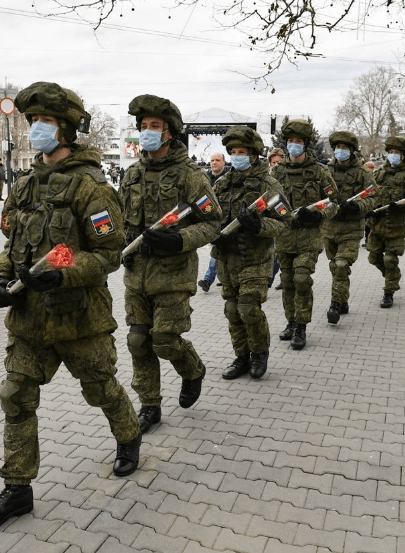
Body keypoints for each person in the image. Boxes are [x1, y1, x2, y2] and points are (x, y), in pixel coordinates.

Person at [0, 82, 142, 529]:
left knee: (100, 388)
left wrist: (66, 272)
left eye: (47, 122)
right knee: (15, 395)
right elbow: (11, 243)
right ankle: (17, 488)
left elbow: (110, 253)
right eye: (33, 120)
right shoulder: (24, 184)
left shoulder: (90, 185)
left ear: (68, 129)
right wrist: (0, 277)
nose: (37, 128)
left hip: (80, 318)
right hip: (29, 319)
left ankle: (129, 437)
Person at [119, 94, 222, 433]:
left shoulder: (189, 175)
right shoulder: (131, 175)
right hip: (137, 276)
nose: (147, 132)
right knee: (137, 341)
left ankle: (193, 369)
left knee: (164, 340)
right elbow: (119, 223)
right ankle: (149, 405)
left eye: (155, 126)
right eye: (143, 126)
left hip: (173, 274)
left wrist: (179, 240)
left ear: (169, 132)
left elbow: (212, 223)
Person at [212, 126, 288, 380]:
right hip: (227, 258)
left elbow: (284, 221)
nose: (236, 155)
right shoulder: (222, 184)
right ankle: (241, 357)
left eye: (241, 151)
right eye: (232, 152)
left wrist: (258, 225)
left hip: (256, 258)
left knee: (248, 308)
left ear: (254, 155)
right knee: (232, 310)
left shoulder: (269, 185)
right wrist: (215, 234)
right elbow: (210, 218)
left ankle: (259, 353)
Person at [271, 119, 339, 350]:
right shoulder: (277, 171)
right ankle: (290, 321)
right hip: (284, 236)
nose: (293, 145)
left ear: (306, 144)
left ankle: (301, 326)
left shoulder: (320, 171)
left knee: (301, 279)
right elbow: (268, 201)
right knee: (287, 281)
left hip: (309, 236)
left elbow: (334, 202)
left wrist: (319, 216)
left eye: (298, 141)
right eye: (290, 141)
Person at [322, 131, 377, 323]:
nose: (340, 151)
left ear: (352, 150)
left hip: (351, 229)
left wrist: (357, 206)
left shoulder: (362, 172)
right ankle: (343, 298)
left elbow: (372, 197)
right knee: (334, 267)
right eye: (338, 148)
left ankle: (335, 305)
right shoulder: (325, 171)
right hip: (329, 228)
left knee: (341, 265)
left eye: (344, 148)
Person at [365, 136, 405, 308]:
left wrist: (404, 207)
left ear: (404, 155)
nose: (392, 155)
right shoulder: (379, 173)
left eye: (396, 152)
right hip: (377, 225)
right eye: (390, 152)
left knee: (390, 259)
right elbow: (368, 194)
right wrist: (369, 208)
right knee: (373, 257)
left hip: (396, 226)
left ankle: (388, 292)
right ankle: (393, 275)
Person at [198, 152, 229, 292]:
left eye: (217, 160)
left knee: (218, 250)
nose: (214, 162)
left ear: (223, 162)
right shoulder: (205, 177)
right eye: (212, 160)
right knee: (219, 250)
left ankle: (208, 279)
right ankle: (222, 277)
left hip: (226, 219)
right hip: (211, 218)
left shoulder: (229, 177)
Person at [268, 148, 285, 289]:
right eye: (274, 162)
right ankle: (268, 280)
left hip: (285, 218)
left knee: (281, 252)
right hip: (271, 219)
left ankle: (282, 278)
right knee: (274, 252)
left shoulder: (287, 176)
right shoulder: (267, 177)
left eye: (279, 162)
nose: (276, 165)